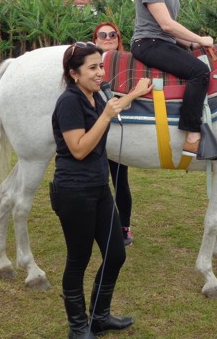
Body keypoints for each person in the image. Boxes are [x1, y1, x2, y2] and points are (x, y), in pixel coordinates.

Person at [50, 41, 153, 338]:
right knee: (78, 260)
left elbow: (115, 105)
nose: (100, 73)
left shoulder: (96, 96)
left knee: (116, 254)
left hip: (98, 189)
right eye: (92, 68)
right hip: (73, 192)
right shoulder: (69, 102)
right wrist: (107, 116)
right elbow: (79, 149)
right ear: (74, 74)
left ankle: (99, 316)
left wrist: (135, 92)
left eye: (101, 66)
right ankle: (78, 327)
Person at [130, 0, 214, 157]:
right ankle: (192, 133)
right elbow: (166, 25)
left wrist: (189, 44)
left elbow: (167, 30)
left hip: (163, 41)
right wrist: (199, 38)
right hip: (148, 43)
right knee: (200, 72)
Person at [92, 21, 133, 246]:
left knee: (120, 181)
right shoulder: (87, 65)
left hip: (115, 132)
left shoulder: (126, 64)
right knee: (96, 181)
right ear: (95, 39)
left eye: (113, 35)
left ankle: (124, 227)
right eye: (102, 34)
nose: (108, 38)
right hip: (91, 132)